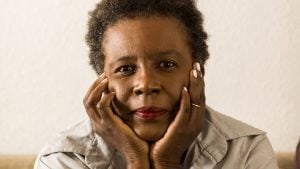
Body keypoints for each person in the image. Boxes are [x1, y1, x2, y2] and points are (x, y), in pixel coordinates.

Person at [34, 0, 279, 168]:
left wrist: (166, 163)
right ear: (102, 82)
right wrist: (135, 158)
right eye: (126, 69)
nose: (146, 84)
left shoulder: (246, 150)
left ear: (197, 72)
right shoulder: (63, 159)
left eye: (166, 65)